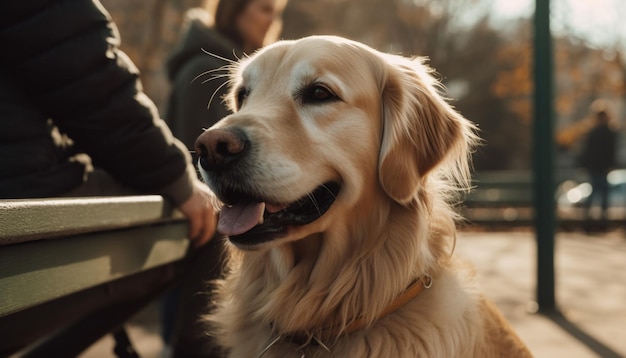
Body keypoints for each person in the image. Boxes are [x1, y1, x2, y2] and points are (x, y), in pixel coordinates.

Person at [0, 2, 218, 243]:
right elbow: (93, 84)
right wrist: (177, 179)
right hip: (26, 186)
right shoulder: (202, 69)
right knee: (213, 221)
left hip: (21, 175)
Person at [161, 0, 286, 356]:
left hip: (217, 222)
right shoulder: (204, 70)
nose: (271, 21)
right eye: (264, 9)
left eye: (274, 13)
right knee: (194, 337)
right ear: (235, 10)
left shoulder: (244, 69)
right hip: (195, 230)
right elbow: (198, 156)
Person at [579, 100, 618, 222]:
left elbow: (588, 151)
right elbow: (610, 150)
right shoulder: (607, 131)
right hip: (600, 166)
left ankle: (592, 216)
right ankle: (599, 217)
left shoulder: (595, 132)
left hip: (597, 166)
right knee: (601, 191)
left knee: (597, 190)